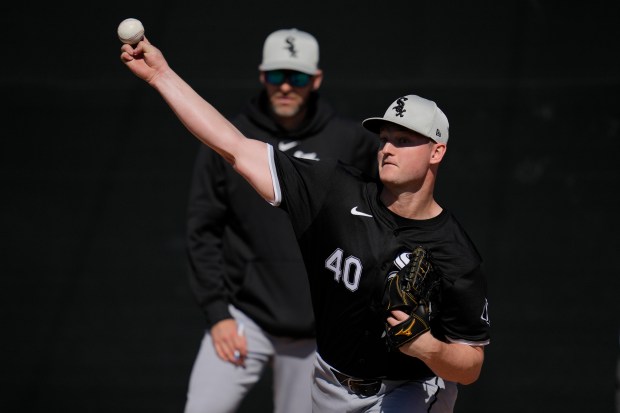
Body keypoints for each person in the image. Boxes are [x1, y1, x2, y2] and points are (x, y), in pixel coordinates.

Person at [120, 36, 491, 413]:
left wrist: (428, 348)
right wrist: (161, 76)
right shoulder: (333, 191)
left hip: (407, 389)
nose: (387, 149)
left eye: (404, 140)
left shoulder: (455, 252)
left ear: (437, 151)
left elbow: (471, 365)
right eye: (384, 139)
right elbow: (233, 145)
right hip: (328, 385)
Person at [183, 28, 378, 413]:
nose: (286, 86)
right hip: (243, 320)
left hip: (318, 330)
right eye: (277, 75)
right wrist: (218, 314)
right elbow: (202, 231)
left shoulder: (351, 141)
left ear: (316, 80)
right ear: (261, 75)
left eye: (298, 77)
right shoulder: (228, 138)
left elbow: (376, 226)